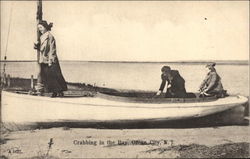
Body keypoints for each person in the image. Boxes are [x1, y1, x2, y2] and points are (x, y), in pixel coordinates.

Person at [34, 20, 67, 97]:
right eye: (39, 28)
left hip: (50, 60)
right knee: (47, 77)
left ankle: (57, 92)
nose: (40, 29)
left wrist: (50, 61)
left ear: (45, 27)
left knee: (54, 76)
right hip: (44, 60)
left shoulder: (50, 36)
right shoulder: (42, 37)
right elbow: (43, 48)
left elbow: (52, 49)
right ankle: (56, 92)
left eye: (41, 27)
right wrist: (37, 47)